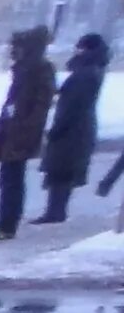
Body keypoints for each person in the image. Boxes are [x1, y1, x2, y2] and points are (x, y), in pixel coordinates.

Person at [0, 26, 56, 240]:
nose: (12, 51)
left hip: (19, 136)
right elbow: (13, 104)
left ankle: (7, 227)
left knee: (12, 181)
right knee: (8, 180)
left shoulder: (39, 70)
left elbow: (39, 108)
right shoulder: (24, 70)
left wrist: (24, 132)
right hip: (12, 132)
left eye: (16, 47)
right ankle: (5, 225)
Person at [41, 31, 106, 224]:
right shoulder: (93, 70)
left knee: (60, 169)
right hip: (80, 129)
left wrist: (57, 129)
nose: (76, 51)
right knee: (64, 170)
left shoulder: (85, 74)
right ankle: (56, 212)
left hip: (72, 130)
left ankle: (55, 213)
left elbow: (72, 105)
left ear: (87, 49)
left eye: (80, 47)